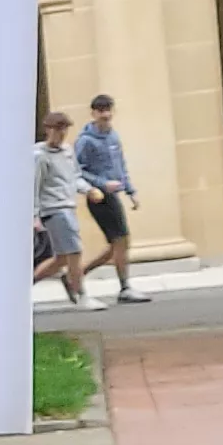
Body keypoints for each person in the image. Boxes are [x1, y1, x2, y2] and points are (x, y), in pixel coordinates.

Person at [76, 96, 149, 304]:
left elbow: (121, 167)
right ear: (93, 114)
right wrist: (101, 183)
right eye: (100, 111)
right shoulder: (85, 141)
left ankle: (77, 274)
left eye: (108, 110)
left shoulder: (113, 137)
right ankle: (125, 287)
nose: (105, 115)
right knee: (121, 241)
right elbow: (77, 171)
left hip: (114, 195)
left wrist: (130, 191)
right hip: (98, 197)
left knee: (119, 244)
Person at [30, 112, 90, 306]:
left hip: (68, 204)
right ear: (48, 129)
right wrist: (34, 215)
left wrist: (89, 190)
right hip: (55, 208)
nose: (62, 133)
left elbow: (74, 177)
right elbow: (34, 186)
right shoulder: (39, 156)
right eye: (58, 129)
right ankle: (81, 294)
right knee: (75, 252)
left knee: (62, 258)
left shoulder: (67, 151)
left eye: (64, 129)